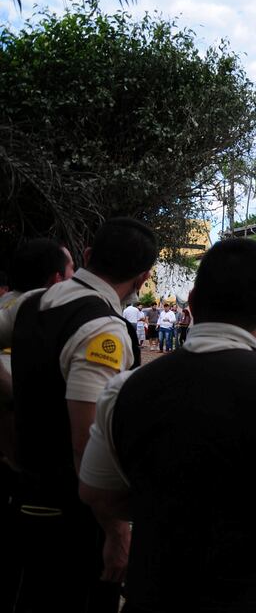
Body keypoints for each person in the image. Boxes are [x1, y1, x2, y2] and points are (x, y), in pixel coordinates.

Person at [80, 238, 256, 613]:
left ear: (193, 303)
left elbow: (96, 491)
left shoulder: (123, 389)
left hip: (154, 593)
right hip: (255, 596)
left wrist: (169, 509)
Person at [8, 218, 156, 612]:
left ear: (88, 255)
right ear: (143, 277)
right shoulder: (102, 329)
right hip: (74, 518)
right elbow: (86, 441)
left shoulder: (33, 302)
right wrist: (116, 530)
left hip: (25, 493)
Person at [0, 239, 76, 610]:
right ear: (56, 279)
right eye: (72, 270)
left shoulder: (12, 307)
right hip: (26, 468)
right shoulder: (36, 311)